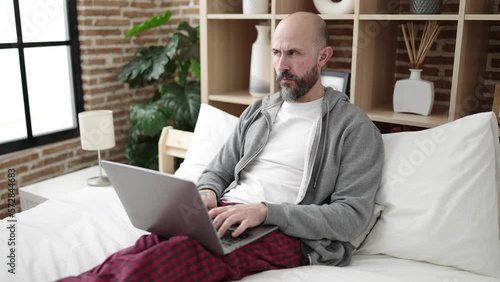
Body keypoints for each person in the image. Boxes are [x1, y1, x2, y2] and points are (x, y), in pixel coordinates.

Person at [59, 11, 384, 282]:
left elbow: (351, 217)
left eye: (294, 53)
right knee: (145, 247)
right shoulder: (259, 111)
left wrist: (266, 211)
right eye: (276, 52)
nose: (281, 64)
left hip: (286, 232)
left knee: (165, 263)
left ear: (323, 56)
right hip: (227, 212)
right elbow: (218, 170)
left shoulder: (354, 128)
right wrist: (207, 194)